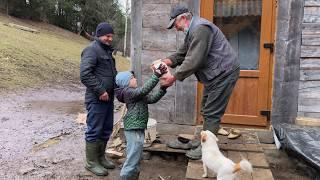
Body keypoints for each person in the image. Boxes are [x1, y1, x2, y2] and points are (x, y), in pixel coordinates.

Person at [161, 4, 240, 160]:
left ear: (183, 18)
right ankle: (202, 141)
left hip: (224, 72)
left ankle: (207, 149)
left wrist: (173, 77)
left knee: (212, 111)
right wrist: (168, 61)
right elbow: (183, 53)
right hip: (215, 74)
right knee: (206, 108)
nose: (175, 28)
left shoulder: (201, 29)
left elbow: (193, 60)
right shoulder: (193, 31)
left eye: (175, 24)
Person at [115, 65, 168, 180]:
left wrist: (163, 89)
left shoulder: (136, 93)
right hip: (133, 128)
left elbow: (152, 99)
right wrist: (156, 75)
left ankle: (133, 176)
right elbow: (144, 90)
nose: (136, 79)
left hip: (138, 126)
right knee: (133, 158)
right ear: (126, 82)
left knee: (135, 156)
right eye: (133, 78)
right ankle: (125, 177)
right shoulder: (128, 93)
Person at [80, 22, 117, 176]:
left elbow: (110, 73)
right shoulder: (91, 50)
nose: (110, 39)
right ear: (99, 35)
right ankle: (91, 162)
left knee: (106, 129)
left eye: (111, 36)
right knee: (94, 130)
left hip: (108, 99)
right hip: (96, 98)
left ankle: (101, 158)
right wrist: (101, 90)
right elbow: (85, 74)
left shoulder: (107, 51)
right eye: (107, 36)